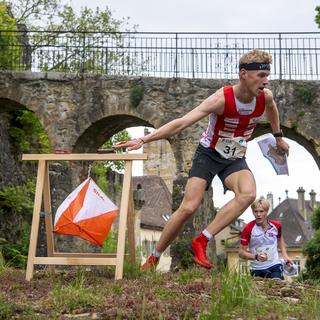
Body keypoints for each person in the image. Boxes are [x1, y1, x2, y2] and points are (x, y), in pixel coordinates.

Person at [114, 49, 290, 270]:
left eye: (267, 76)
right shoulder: (221, 99)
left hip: (234, 157)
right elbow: (181, 122)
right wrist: (144, 138)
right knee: (189, 207)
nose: (265, 82)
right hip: (208, 154)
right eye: (260, 77)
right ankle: (155, 256)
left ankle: (202, 239)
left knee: (248, 194)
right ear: (243, 74)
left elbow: (272, 110)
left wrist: (278, 137)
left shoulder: (265, 97)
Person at [239, 198, 293, 279]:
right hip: (256, 269)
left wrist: (285, 256)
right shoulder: (248, 228)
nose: (258, 214)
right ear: (253, 212)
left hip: (274, 265)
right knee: (260, 291)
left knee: (276, 286)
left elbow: (280, 239)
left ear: (266, 212)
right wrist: (256, 257)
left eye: (261, 211)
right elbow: (241, 253)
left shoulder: (276, 226)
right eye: (255, 211)